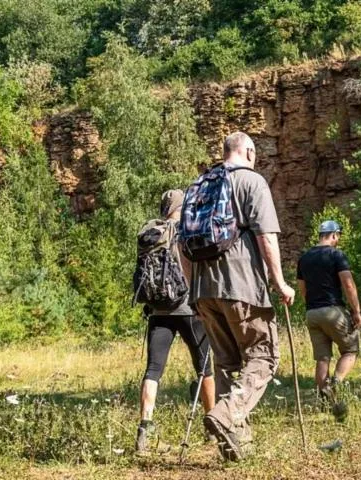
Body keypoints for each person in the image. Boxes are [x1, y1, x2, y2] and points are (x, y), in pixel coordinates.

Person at [182, 131, 295, 462]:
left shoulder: (197, 187)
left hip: (204, 290)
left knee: (228, 362)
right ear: (247, 151)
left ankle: (237, 446)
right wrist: (279, 282)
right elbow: (266, 238)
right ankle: (227, 413)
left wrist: (193, 289)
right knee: (263, 356)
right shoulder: (251, 181)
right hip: (241, 285)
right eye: (254, 153)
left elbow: (182, 245)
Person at [136, 189, 216, 454]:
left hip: (158, 311)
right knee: (205, 368)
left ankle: (144, 431)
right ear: (184, 206)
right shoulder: (187, 230)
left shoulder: (151, 233)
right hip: (189, 308)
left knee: (153, 370)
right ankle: (212, 427)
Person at [296, 220, 361, 417]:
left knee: (322, 358)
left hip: (312, 313)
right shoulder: (336, 254)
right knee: (350, 350)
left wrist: (311, 303)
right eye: (338, 236)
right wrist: (356, 311)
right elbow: (348, 283)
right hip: (332, 310)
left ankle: (324, 400)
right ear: (334, 235)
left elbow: (302, 287)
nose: (338, 240)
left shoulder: (304, 258)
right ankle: (335, 383)